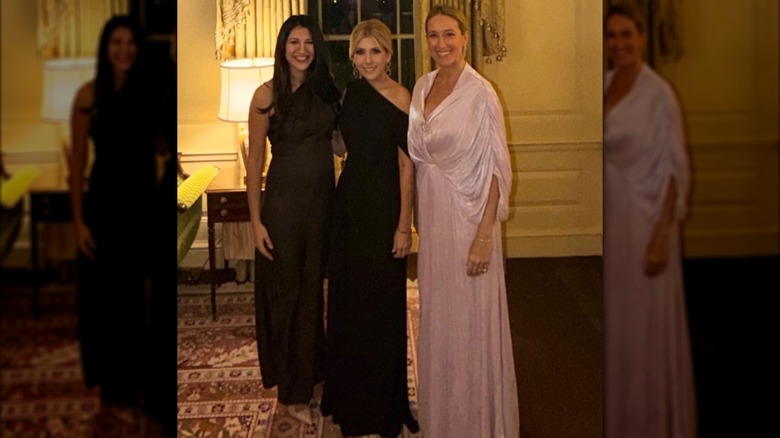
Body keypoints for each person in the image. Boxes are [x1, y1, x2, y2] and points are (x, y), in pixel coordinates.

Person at [406, 5, 519, 438]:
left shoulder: (481, 92)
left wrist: (484, 236)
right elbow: (417, 160)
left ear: (465, 37)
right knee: (439, 313)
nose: (441, 44)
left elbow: (496, 168)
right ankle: (445, 417)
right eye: (433, 36)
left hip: (470, 217)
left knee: (471, 317)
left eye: (449, 34)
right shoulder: (422, 86)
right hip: (433, 216)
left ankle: (478, 419)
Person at [69, 15, 174, 435]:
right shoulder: (88, 96)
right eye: (116, 42)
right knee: (104, 305)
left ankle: (139, 392)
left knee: (139, 307)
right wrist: (78, 222)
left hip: (144, 210)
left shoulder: (148, 93)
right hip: (104, 210)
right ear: (105, 46)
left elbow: (163, 146)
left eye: (131, 42)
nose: (124, 49)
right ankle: (111, 392)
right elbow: (76, 166)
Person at [319, 19, 419, 438]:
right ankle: (350, 399)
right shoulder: (351, 92)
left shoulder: (403, 97)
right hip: (349, 207)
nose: (367, 59)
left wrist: (403, 227)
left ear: (389, 54)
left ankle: (382, 405)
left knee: (382, 307)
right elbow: (344, 145)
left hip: (384, 211)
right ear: (353, 58)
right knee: (348, 303)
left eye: (375, 50)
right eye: (360, 52)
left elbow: (406, 164)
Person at [603, 6, 696, 438]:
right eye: (612, 36)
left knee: (644, 327)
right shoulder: (604, 84)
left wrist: (661, 238)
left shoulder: (658, 93)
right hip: (614, 222)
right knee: (619, 327)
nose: (619, 44)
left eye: (626, 35)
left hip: (647, 224)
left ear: (641, 37)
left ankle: (653, 421)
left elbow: (676, 170)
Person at [246, 14, 340, 425]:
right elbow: (253, 167)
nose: (302, 50)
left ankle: (312, 374)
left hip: (322, 205)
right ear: (282, 47)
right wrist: (255, 222)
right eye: (294, 42)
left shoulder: (326, 92)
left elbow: (340, 144)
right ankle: (291, 394)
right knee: (288, 298)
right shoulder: (265, 96)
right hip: (282, 208)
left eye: (308, 43)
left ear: (316, 48)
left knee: (313, 295)